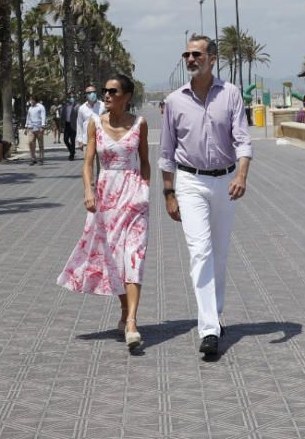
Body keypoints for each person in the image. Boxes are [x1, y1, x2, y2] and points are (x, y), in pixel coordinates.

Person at [160, 35, 252, 356]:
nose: (190, 59)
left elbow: (242, 140)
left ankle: (214, 312)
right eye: (186, 54)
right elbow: (166, 152)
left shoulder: (231, 95)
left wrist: (241, 174)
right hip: (190, 182)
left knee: (220, 254)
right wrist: (169, 193)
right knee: (200, 251)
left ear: (213, 58)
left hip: (225, 181)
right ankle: (209, 329)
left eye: (196, 54)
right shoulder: (174, 101)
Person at [57, 74, 151, 351]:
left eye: (112, 91)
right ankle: (124, 312)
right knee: (114, 260)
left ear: (127, 96)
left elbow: (145, 162)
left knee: (134, 256)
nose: (106, 95)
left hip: (134, 197)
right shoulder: (94, 124)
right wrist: (88, 192)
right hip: (106, 196)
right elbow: (88, 164)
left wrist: (145, 190)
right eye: (104, 90)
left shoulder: (140, 124)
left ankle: (132, 321)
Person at [76, 85, 104, 171]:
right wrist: (79, 140)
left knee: (102, 165)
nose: (92, 94)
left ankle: (100, 183)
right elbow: (79, 124)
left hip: (101, 140)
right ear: (86, 95)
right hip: (87, 141)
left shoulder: (103, 106)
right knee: (88, 164)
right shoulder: (82, 108)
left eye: (94, 92)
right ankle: (90, 183)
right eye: (89, 93)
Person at [26, 95, 46, 166]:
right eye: (30, 100)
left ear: (35, 100)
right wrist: (26, 126)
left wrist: (43, 126)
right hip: (31, 127)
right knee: (30, 142)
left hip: (39, 127)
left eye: (32, 100)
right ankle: (33, 158)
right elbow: (28, 117)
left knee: (40, 144)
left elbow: (43, 116)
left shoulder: (41, 107)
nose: (30, 101)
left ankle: (41, 159)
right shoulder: (30, 108)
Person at [61, 94, 79, 160]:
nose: (72, 98)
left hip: (73, 125)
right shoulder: (65, 106)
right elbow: (62, 115)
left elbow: (79, 116)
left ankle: (72, 155)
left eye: (73, 97)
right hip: (67, 124)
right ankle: (72, 150)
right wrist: (61, 125)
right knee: (65, 139)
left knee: (72, 140)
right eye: (70, 97)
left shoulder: (76, 106)